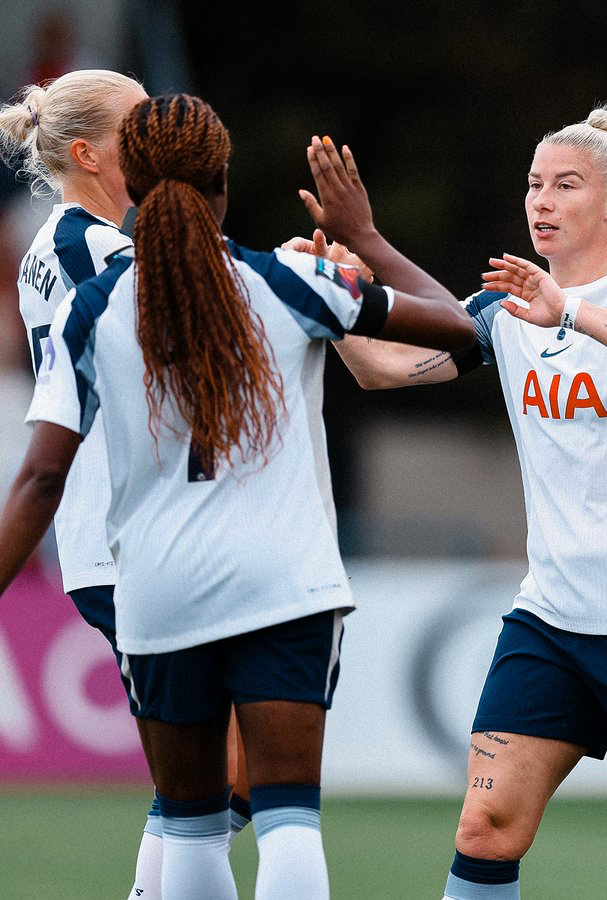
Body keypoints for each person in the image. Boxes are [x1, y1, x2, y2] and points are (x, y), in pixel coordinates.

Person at [0, 93, 474, 899]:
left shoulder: (94, 301)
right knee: (287, 816)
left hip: (158, 583)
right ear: (223, 181)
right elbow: (462, 329)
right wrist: (361, 241)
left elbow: (42, 475)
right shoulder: (290, 282)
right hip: (283, 579)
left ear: (131, 184)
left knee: (189, 819)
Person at [314, 104, 607, 897]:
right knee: (485, 829)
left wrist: (568, 309)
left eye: (566, 184)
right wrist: (327, 299)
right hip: (551, 617)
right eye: (534, 184)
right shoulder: (504, 309)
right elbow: (381, 369)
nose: (542, 200)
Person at [0, 70, 249, 900]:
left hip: (119, 532)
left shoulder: (59, 247)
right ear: (87, 154)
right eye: (137, 129)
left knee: (218, 769)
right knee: (222, 771)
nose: (155, 142)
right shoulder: (94, 250)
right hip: (128, 531)